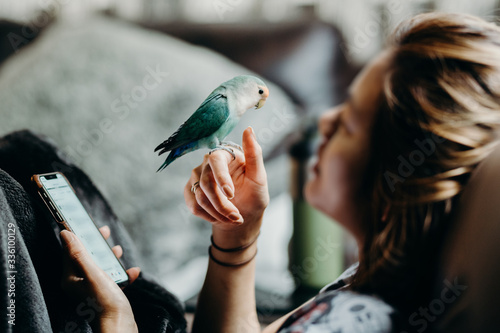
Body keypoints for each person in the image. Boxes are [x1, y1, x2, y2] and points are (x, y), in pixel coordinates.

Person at [60, 12, 500, 332]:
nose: (324, 120)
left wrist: (116, 321)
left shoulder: (357, 322)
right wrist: (237, 238)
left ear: (397, 180)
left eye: (347, 122)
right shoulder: (365, 281)